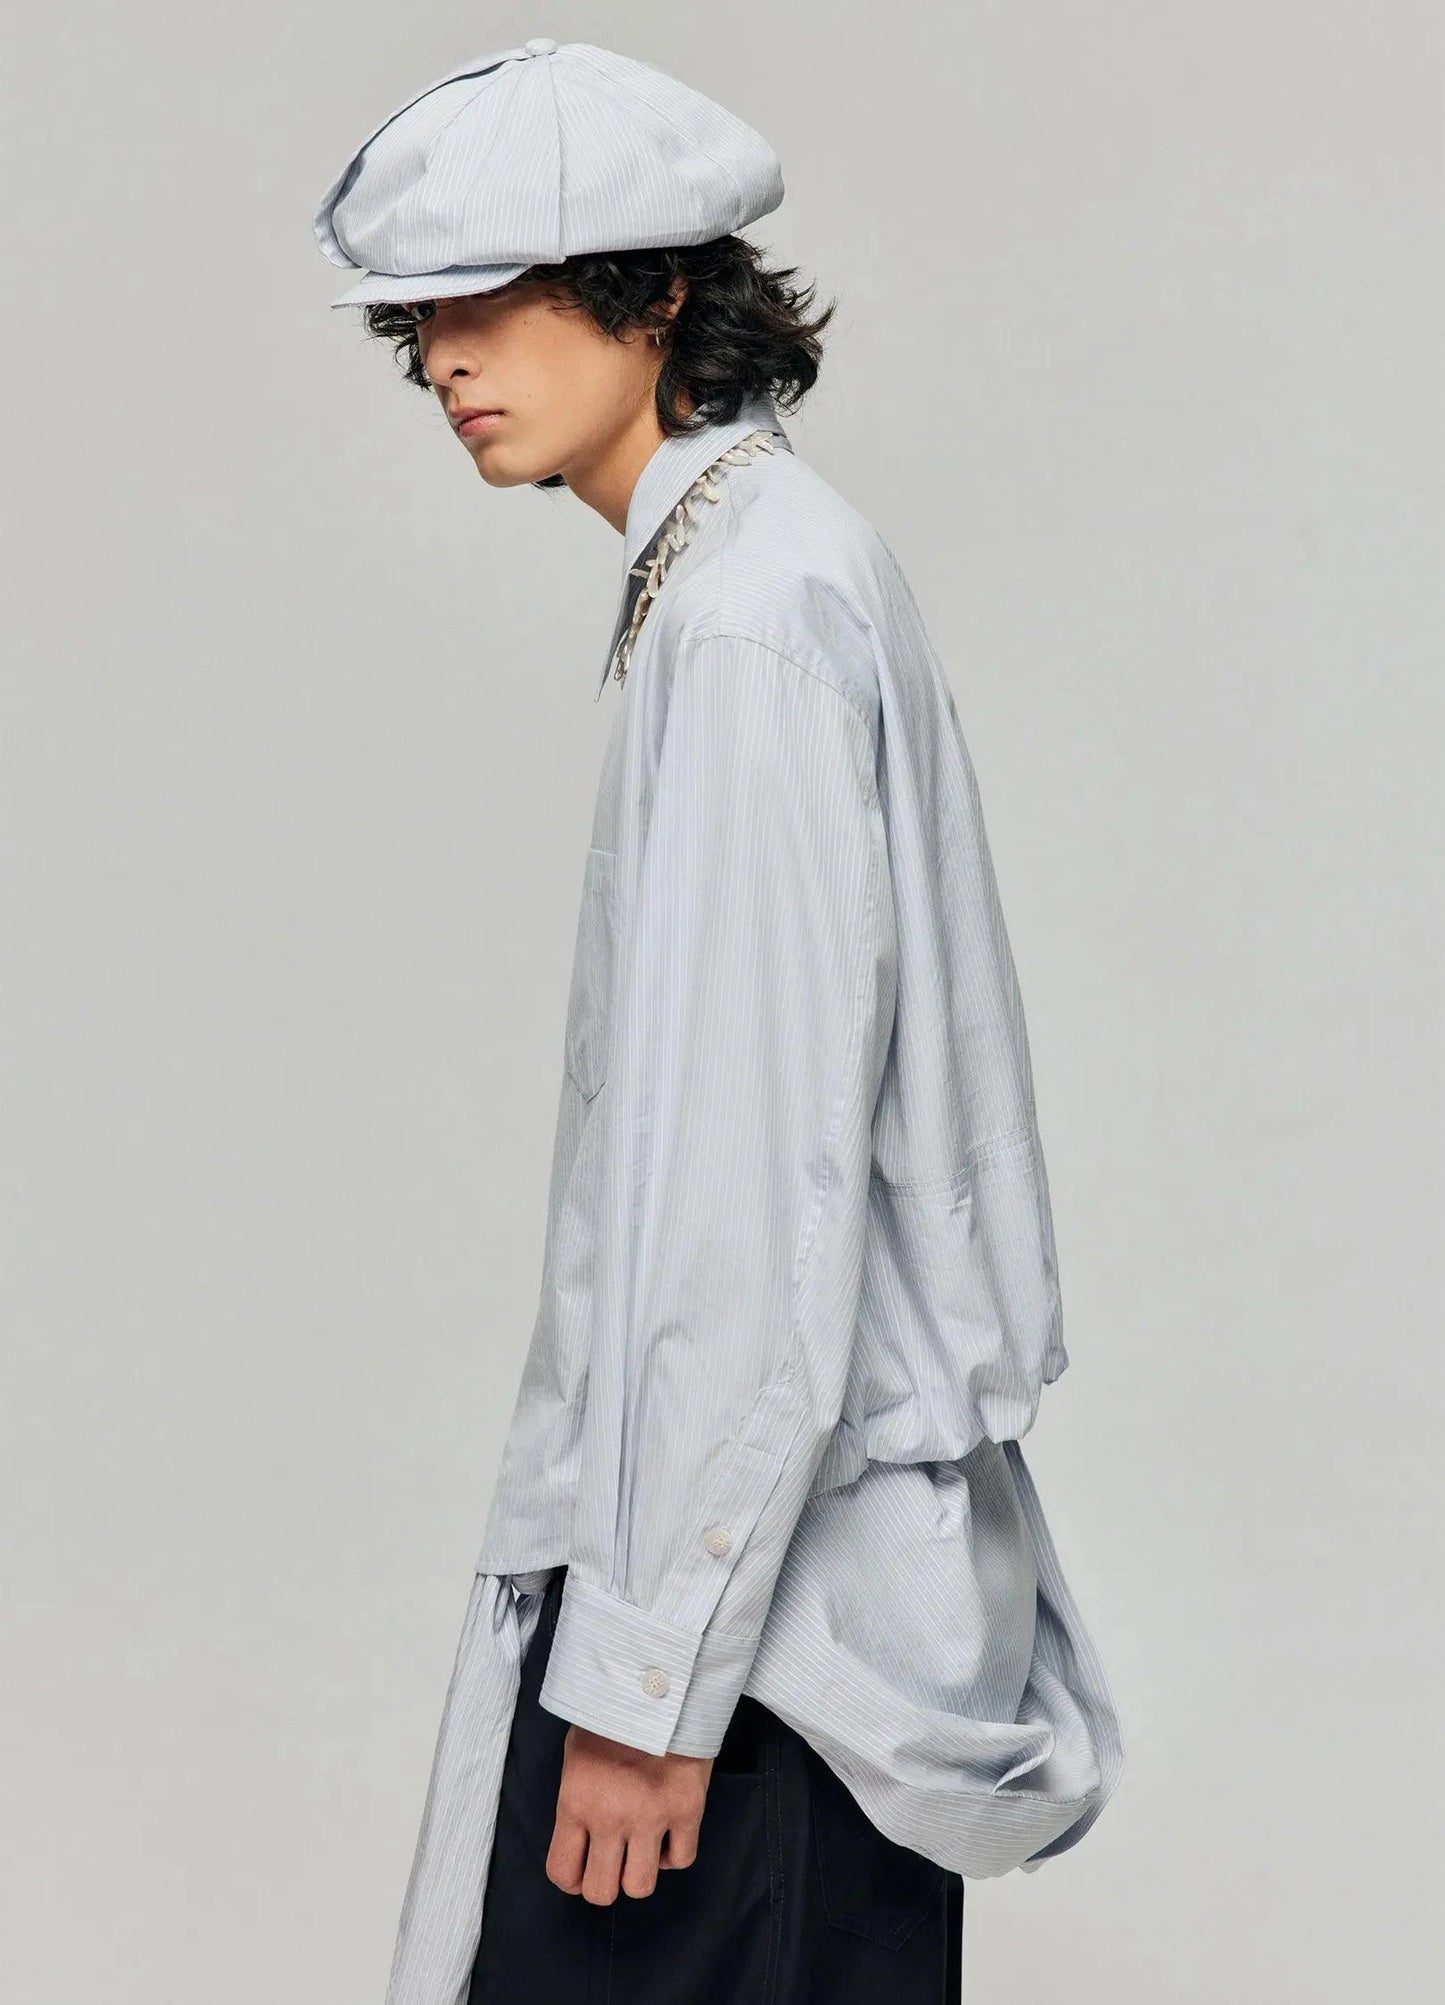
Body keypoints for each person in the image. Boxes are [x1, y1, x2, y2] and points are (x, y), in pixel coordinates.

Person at [313, 37, 1124, 2005]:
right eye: (421, 317)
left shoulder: (751, 621)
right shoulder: (752, 575)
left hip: (750, 1666)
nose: (447, 359)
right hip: (764, 1628)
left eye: (494, 297)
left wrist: (644, 1686)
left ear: (658, 291)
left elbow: (752, 1207)